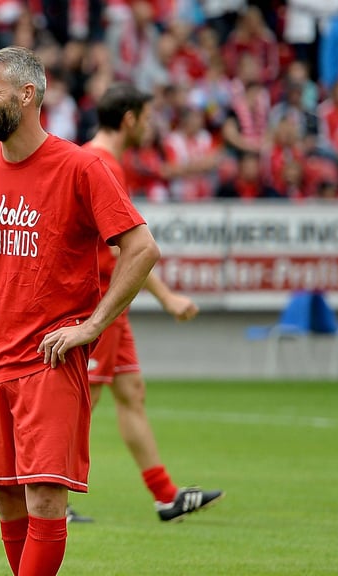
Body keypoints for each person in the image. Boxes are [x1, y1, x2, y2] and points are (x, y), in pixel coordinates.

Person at [0, 46, 161, 576]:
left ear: (27, 94)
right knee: (8, 503)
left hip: (49, 362)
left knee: (45, 503)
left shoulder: (80, 166)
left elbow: (141, 248)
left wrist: (94, 325)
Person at [79, 83, 224, 523]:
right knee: (82, 402)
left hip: (112, 305)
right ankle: (47, 497)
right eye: (146, 117)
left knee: (130, 394)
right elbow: (131, 250)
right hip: (98, 305)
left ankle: (165, 496)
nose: (150, 126)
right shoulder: (100, 163)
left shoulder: (98, 159)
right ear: (129, 119)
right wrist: (167, 297)